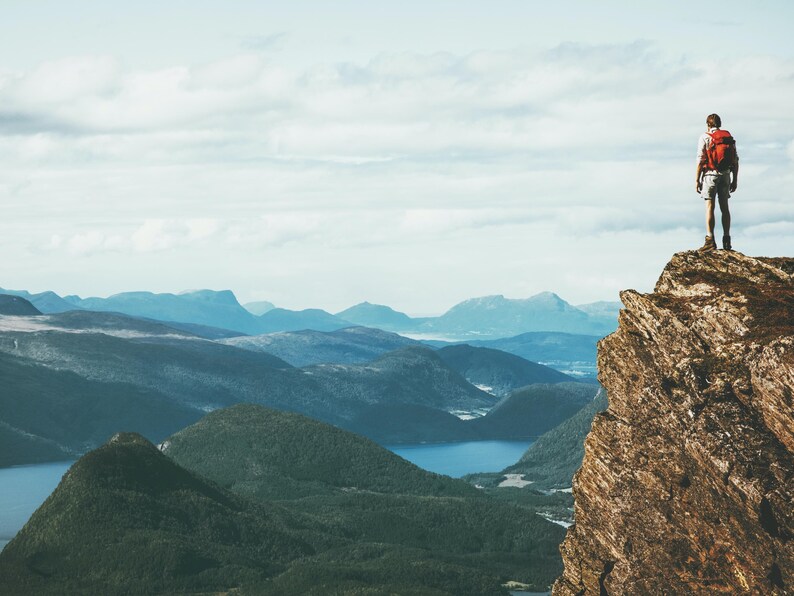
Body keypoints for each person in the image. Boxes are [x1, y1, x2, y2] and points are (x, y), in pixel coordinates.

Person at [695, 113, 739, 251]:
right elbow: (735, 161)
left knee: (710, 207)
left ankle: (710, 240)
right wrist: (735, 180)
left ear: (708, 124)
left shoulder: (705, 137)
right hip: (726, 175)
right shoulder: (728, 139)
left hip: (710, 175)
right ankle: (727, 239)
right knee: (725, 208)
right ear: (719, 124)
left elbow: (700, 160)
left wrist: (697, 180)